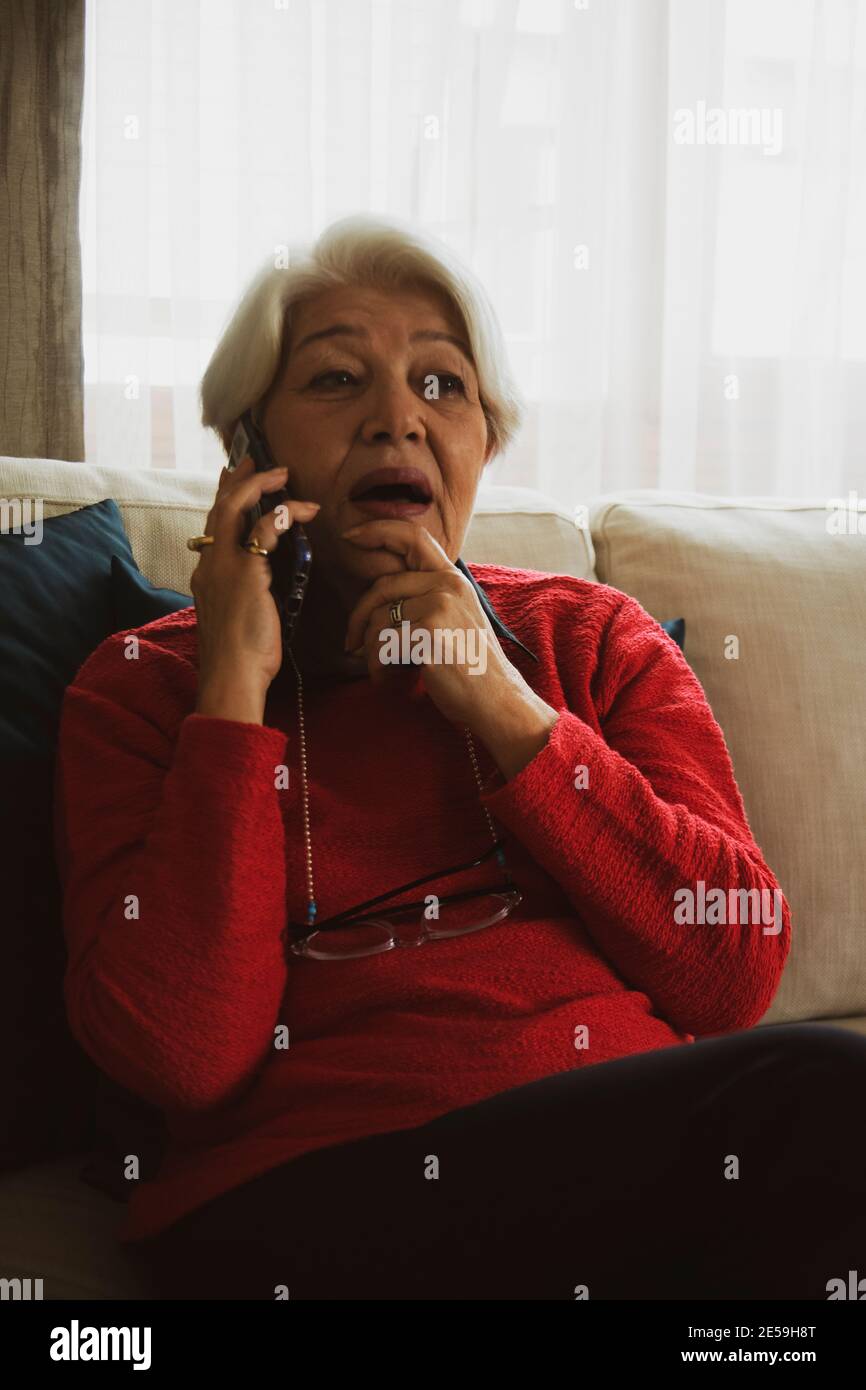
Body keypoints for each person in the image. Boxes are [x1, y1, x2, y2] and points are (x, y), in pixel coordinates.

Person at [53, 214, 866, 1301]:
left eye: (442, 386)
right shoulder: (140, 685)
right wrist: (232, 695)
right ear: (249, 449)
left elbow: (728, 972)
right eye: (338, 379)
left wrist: (497, 699)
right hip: (307, 1208)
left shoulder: (591, 638)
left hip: (630, 1179)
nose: (398, 417)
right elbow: (180, 1055)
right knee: (827, 1098)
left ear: (485, 440)